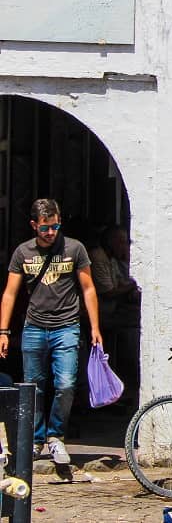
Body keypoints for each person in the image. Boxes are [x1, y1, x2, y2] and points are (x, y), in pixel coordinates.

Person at [0, 199, 101, 465]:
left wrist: (94, 327)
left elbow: (88, 288)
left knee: (66, 384)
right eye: (45, 227)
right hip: (34, 327)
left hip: (67, 326)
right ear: (34, 225)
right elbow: (10, 293)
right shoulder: (23, 253)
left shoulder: (74, 249)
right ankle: (35, 439)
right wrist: (3, 331)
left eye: (55, 226)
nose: (50, 232)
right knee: (33, 387)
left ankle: (56, 436)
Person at [89, 224, 142, 408]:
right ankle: (119, 388)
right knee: (134, 330)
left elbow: (120, 281)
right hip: (103, 314)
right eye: (122, 243)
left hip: (114, 312)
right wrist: (133, 284)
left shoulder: (112, 260)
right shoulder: (98, 257)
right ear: (111, 243)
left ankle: (123, 388)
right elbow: (109, 291)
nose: (125, 247)